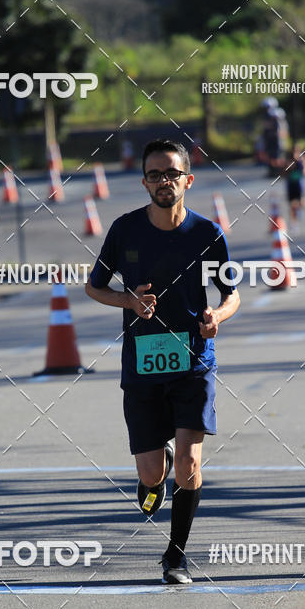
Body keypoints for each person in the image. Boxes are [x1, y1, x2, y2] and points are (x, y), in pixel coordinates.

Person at [85, 138, 240, 585]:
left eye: (171, 173)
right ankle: (157, 471)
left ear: (187, 180)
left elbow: (231, 295)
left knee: (191, 463)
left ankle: (175, 556)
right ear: (144, 182)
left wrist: (216, 318)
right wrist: (127, 301)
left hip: (193, 361)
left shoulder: (208, 235)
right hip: (143, 364)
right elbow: (95, 287)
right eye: (154, 174)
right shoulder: (124, 230)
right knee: (151, 474)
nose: (163, 181)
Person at [284, 143, 305, 226]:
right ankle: (293, 222)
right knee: (292, 204)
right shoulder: (288, 161)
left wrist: (303, 165)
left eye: (297, 152)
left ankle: (299, 211)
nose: (295, 154)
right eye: (294, 152)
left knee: (302, 202)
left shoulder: (303, 159)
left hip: (300, 183)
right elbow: (284, 173)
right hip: (291, 183)